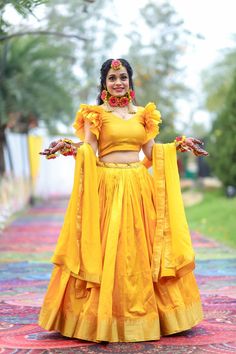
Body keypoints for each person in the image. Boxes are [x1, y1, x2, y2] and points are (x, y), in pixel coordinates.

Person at [38, 58, 208, 343]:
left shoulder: (144, 114)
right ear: (103, 84)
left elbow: (152, 152)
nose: (118, 83)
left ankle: (158, 317)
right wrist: (69, 147)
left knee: (142, 250)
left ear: (130, 81)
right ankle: (100, 319)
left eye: (123, 77)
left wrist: (178, 145)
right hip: (107, 187)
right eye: (112, 78)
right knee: (107, 251)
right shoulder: (96, 115)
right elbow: (89, 150)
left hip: (139, 188)